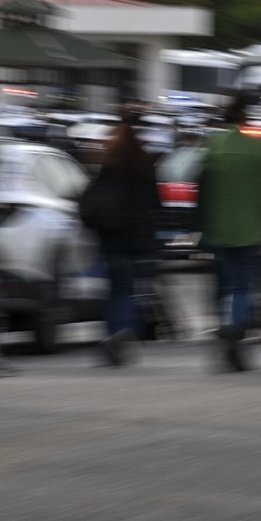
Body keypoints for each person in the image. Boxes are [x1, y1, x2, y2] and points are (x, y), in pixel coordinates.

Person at [198, 92, 261, 371]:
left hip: (219, 226)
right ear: (248, 117)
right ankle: (236, 330)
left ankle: (226, 326)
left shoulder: (213, 144)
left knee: (226, 284)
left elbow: (203, 187)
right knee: (245, 285)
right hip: (252, 225)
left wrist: (202, 225)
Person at [83, 106, 161, 366]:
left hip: (111, 234)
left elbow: (92, 197)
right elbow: (153, 202)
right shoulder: (144, 161)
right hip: (136, 235)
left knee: (115, 289)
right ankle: (124, 329)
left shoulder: (110, 160)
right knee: (130, 289)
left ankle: (113, 334)